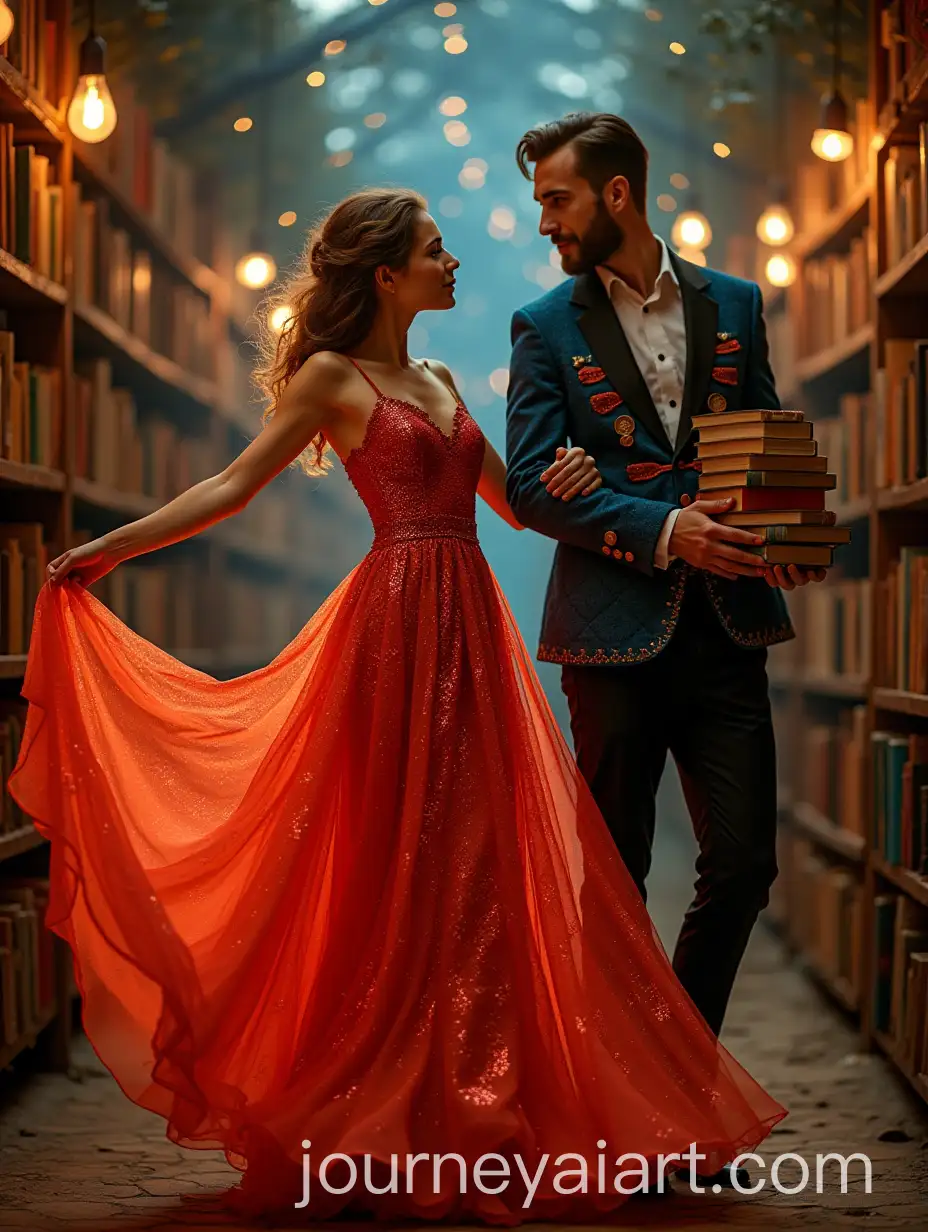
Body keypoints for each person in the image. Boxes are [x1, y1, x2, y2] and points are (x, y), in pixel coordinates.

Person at [9, 187, 785, 1224]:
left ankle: (476, 1089)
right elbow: (235, 486)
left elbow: (513, 503)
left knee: (476, 862)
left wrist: (599, 481)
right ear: (385, 274)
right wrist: (109, 545)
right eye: (433, 249)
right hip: (392, 634)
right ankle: (392, 1102)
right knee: (396, 854)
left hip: (470, 629)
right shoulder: (333, 378)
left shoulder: (443, 378)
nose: (452, 260)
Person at [505, 113, 826, 1053]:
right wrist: (663, 528)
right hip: (610, 635)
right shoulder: (542, 327)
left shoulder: (735, 301)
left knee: (744, 865)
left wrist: (791, 534)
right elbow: (528, 483)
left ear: (617, 195)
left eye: (556, 201)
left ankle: (676, 1074)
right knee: (612, 876)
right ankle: (628, 1100)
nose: (544, 224)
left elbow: (762, 440)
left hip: (730, 626)